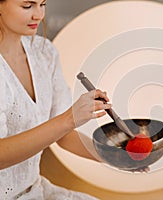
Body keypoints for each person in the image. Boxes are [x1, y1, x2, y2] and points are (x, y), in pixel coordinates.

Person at [0, 0, 112, 199]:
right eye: (28, 6)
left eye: (42, 4)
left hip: (34, 190)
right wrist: (69, 118)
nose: (39, 15)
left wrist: (115, 156)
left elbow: (64, 135)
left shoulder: (44, 52)